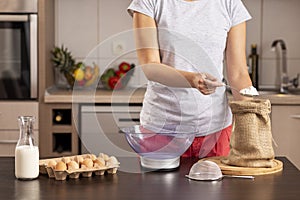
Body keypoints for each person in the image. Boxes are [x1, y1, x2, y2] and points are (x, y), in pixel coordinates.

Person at [127, 0, 253, 158]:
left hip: (215, 132)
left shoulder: (229, 4)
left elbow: (239, 74)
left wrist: (252, 121)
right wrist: (193, 79)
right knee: (156, 184)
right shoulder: (150, 2)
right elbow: (150, 67)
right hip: (161, 131)